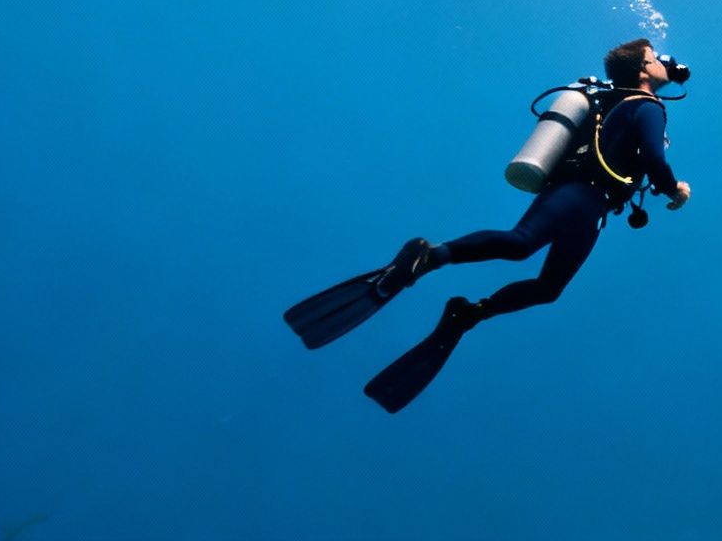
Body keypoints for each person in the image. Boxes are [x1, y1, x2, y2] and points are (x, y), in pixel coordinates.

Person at [282, 37, 692, 412]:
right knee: (520, 244)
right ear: (641, 69)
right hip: (580, 193)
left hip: (593, 209)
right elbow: (655, 160)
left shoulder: (625, 104)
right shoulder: (647, 106)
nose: (662, 64)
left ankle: (469, 313)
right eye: (655, 58)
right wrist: (676, 189)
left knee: (548, 289)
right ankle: (428, 257)